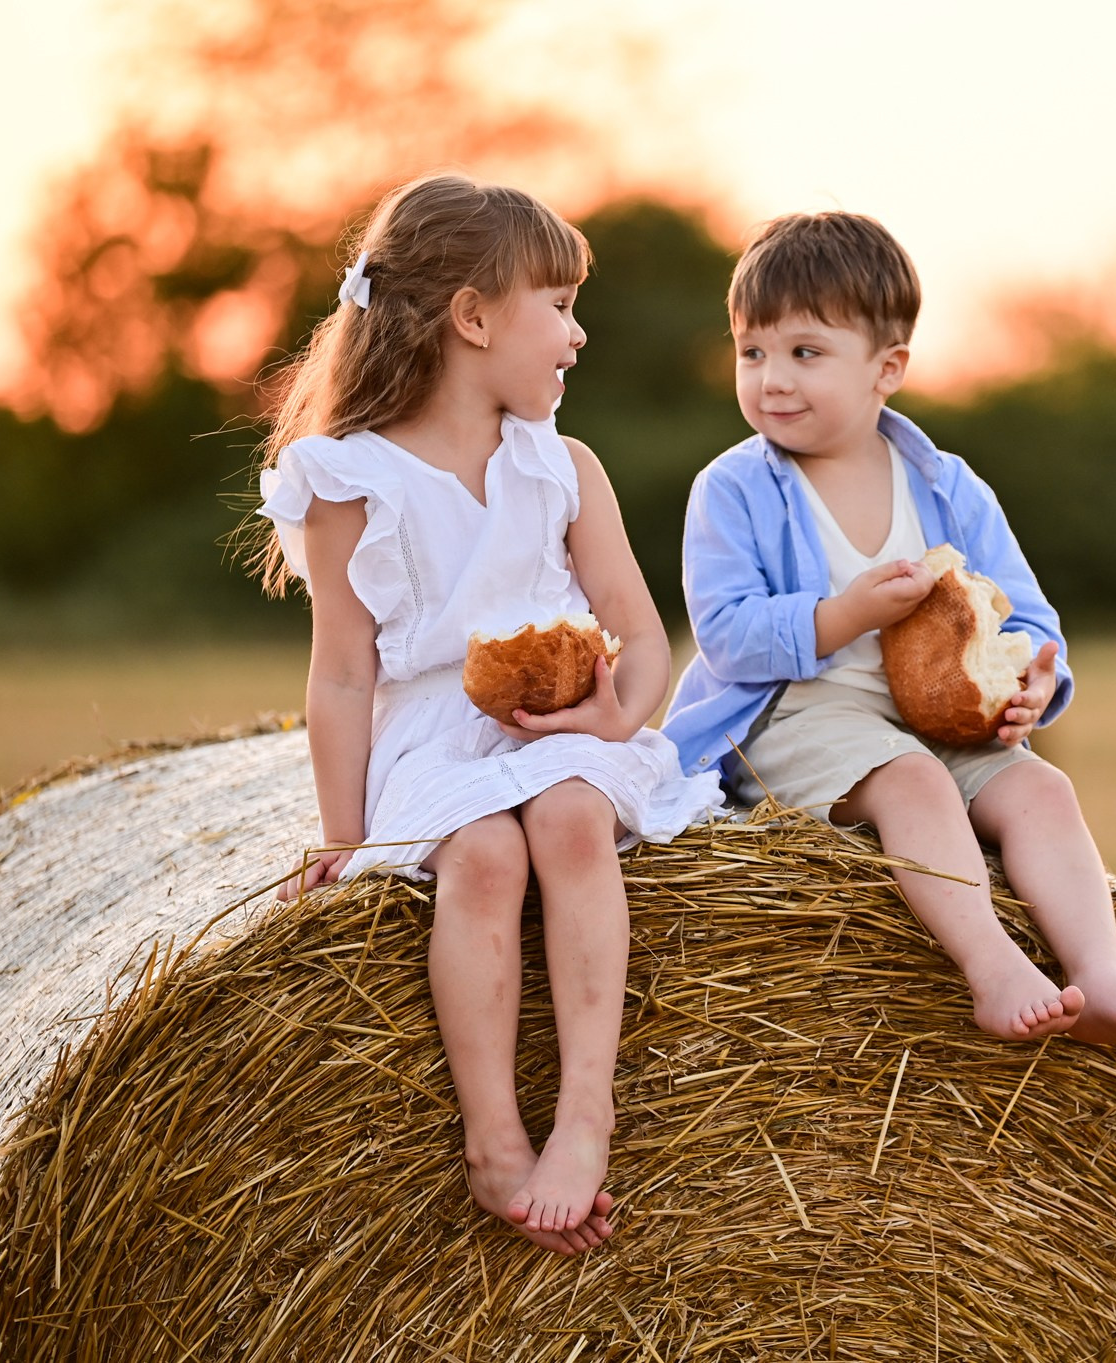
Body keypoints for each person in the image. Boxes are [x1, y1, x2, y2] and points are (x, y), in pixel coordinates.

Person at [253, 173, 724, 1256]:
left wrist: (615, 722)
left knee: (563, 818)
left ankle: (586, 1112)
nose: (577, 331)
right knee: (480, 858)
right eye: (555, 306)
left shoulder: (560, 467)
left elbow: (643, 639)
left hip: (568, 730)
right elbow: (341, 674)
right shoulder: (343, 480)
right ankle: (492, 1135)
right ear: (472, 317)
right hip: (431, 736)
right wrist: (339, 831)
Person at [665, 212, 1116, 1048]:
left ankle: (1100, 978)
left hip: (931, 718)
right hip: (793, 719)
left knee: (1041, 790)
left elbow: (1024, 618)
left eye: (805, 352)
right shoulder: (734, 489)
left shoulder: (946, 486)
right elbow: (727, 635)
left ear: (888, 368)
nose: (772, 378)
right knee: (915, 783)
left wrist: (1035, 684)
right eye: (751, 351)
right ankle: (993, 969)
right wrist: (850, 615)